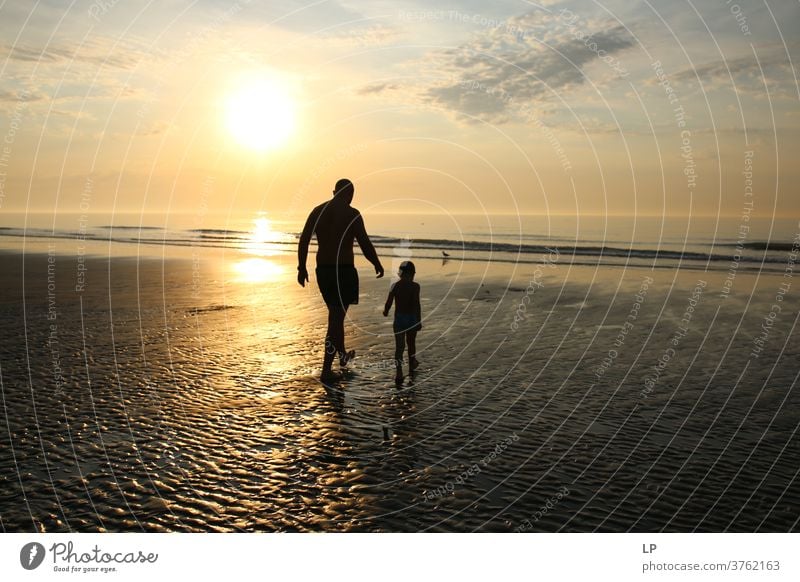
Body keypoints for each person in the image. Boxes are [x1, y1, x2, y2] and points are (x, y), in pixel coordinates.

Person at [297, 178, 384, 382]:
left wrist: (301, 266)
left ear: (334, 191)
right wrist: (376, 263)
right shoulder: (352, 214)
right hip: (344, 271)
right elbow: (364, 242)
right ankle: (327, 368)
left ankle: (342, 355)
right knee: (336, 318)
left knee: (336, 316)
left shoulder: (318, 211)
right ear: (351, 194)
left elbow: (304, 239)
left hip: (324, 270)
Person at [383, 261, 422, 383]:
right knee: (411, 344)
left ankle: (399, 372)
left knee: (399, 347)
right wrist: (419, 320)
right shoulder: (415, 286)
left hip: (399, 319)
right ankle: (411, 364)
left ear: (400, 273)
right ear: (411, 274)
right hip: (411, 319)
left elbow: (389, 301)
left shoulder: (395, 286)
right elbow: (416, 304)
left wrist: (386, 310)